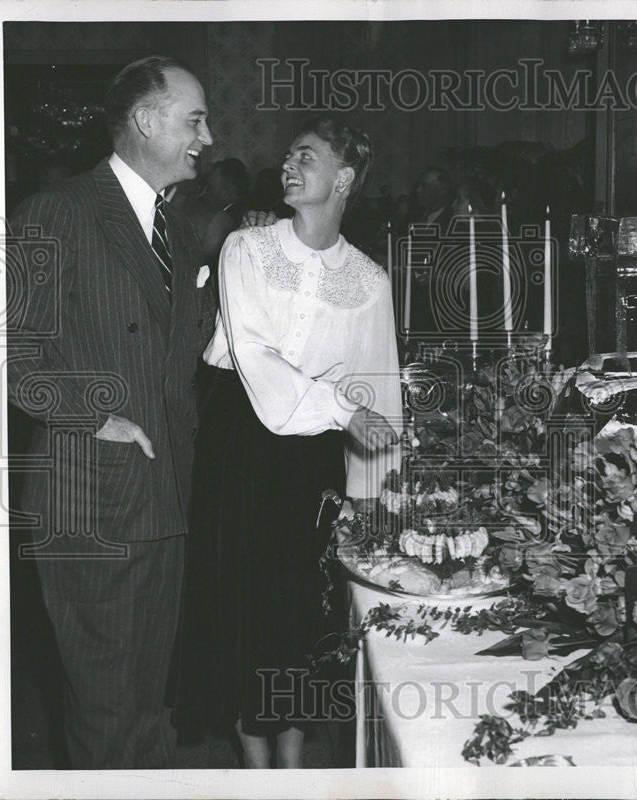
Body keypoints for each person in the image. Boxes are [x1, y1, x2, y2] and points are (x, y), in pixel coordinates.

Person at [171, 114, 401, 768]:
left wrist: (377, 503)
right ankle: (253, 762)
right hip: (239, 439)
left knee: (298, 607)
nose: (288, 167)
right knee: (237, 599)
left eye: (307, 156)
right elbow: (257, 355)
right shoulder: (246, 249)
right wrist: (339, 406)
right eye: (289, 157)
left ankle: (294, 759)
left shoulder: (369, 281)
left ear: (345, 178)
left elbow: (377, 392)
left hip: (314, 456)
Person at [6, 55, 215, 769]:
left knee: (151, 706)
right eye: (194, 120)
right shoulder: (55, 212)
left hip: (165, 500)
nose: (207, 137)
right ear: (146, 120)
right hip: (91, 501)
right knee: (104, 713)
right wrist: (98, 416)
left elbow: (180, 356)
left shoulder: (179, 232)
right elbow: (10, 356)